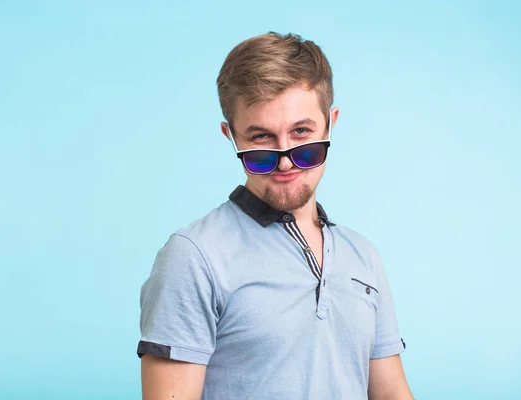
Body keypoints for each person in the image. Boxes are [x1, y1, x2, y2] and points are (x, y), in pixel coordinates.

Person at [137, 31, 413, 400]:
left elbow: (392, 393)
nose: (285, 159)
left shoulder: (363, 256)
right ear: (230, 136)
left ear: (331, 123)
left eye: (302, 132)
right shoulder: (194, 257)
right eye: (261, 138)